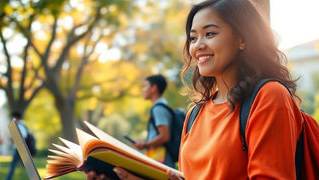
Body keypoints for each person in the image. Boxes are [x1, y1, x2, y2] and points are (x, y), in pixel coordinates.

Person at [87, 0, 304, 179]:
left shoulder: (269, 96)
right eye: (193, 37)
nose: (197, 45)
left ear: (242, 40)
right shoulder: (195, 114)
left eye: (209, 34)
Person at [131, 74, 174, 168]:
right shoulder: (161, 106)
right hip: (159, 157)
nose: (143, 89)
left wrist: (145, 144)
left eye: (146, 86)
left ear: (154, 88)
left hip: (161, 158)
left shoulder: (158, 108)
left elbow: (164, 136)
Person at [5, 111, 28, 180]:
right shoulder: (22, 125)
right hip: (20, 148)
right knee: (27, 166)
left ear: (15, 117)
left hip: (19, 148)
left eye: (12, 118)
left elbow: (23, 136)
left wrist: (13, 138)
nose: (12, 119)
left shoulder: (20, 125)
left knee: (13, 165)